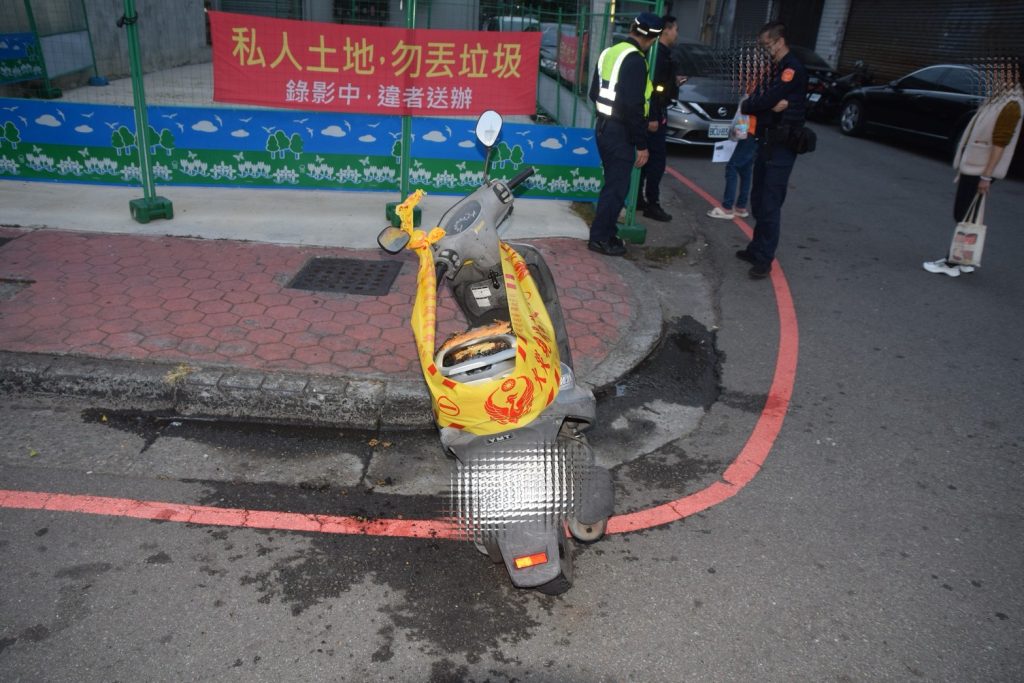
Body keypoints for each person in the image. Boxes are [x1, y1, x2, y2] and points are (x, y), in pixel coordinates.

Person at [923, 57, 1023, 277]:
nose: (995, 75)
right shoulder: (1001, 98)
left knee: (963, 213)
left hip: (981, 168)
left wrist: (986, 176)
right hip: (977, 165)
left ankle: (952, 263)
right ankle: (964, 261)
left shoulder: (1012, 104)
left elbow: (1000, 143)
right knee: (971, 214)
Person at [734, 21, 807, 279]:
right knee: (758, 198)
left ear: (779, 41)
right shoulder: (775, 68)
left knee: (770, 203)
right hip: (766, 142)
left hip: (782, 145)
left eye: (767, 45)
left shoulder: (791, 69)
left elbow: (764, 99)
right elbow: (762, 96)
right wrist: (762, 103)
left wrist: (752, 105)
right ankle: (756, 248)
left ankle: (764, 259)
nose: (765, 50)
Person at [587, 12, 663, 256]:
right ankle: (600, 239)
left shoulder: (609, 53)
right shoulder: (636, 61)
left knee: (613, 185)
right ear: (652, 38)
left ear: (632, 28)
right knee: (616, 189)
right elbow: (633, 106)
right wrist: (642, 144)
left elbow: (593, 93)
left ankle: (607, 233)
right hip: (620, 133)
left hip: (603, 127)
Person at [638, 14, 681, 222]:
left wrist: (674, 82)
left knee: (647, 161)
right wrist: (654, 117)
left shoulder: (659, 53)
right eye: (675, 29)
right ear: (666, 30)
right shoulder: (658, 55)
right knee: (656, 162)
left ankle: (639, 199)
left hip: (655, 112)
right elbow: (653, 88)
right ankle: (652, 203)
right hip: (654, 115)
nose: (677, 34)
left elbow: (661, 85)